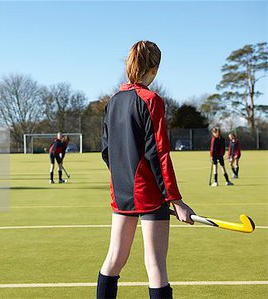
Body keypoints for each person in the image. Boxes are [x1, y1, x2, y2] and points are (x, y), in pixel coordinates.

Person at [98, 41, 195, 299]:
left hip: (121, 191)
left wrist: (124, 178)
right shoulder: (152, 100)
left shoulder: (113, 101)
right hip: (148, 193)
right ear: (154, 68)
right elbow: (159, 153)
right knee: (155, 266)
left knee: (114, 259)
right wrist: (175, 200)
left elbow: (106, 151)